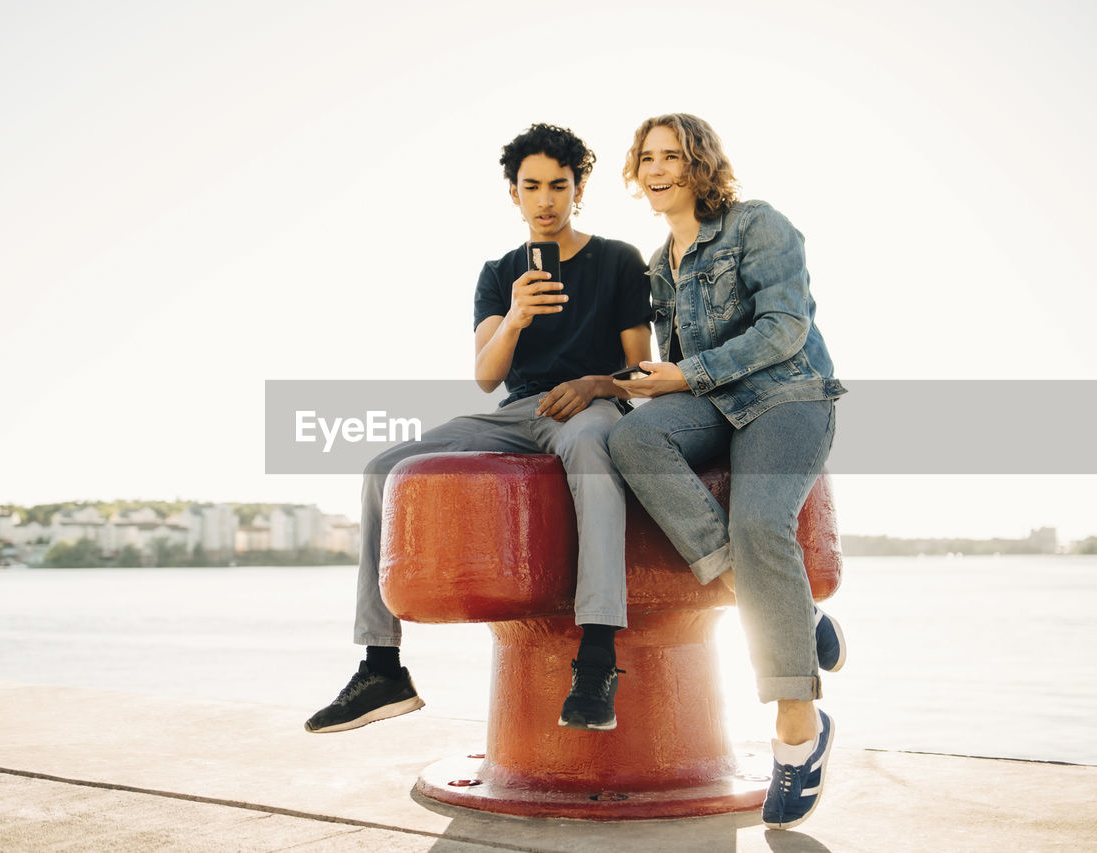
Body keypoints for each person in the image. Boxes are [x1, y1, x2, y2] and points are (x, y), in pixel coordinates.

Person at [305, 123, 652, 735]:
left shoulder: (619, 260)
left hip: (590, 405)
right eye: (532, 186)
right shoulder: (497, 273)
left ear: (579, 189)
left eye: (559, 186)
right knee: (384, 469)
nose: (546, 200)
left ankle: (597, 655)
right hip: (518, 411)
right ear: (513, 194)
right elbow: (486, 378)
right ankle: (381, 665)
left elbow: (637, 369)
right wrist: (515, 317)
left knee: (591, 453)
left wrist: (597, 385)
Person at [607, 113, 848, 830]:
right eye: (645, 157)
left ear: (701, 163)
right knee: (633, 441)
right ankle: (787, 607)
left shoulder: (758, 225)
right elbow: (666, 361)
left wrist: (687, 373)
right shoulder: (659, 264)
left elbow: (784, 328)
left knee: (758, 522)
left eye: (671, 156)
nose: (655, 169)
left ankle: (800, 735)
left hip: (787, 395)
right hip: (709, 401)